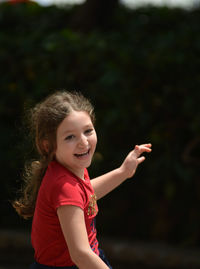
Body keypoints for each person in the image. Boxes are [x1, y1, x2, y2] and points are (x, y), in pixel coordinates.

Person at [13, 91, 152, 269]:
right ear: (48, 146)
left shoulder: (69, 170)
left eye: (88, 131)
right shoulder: (63, 185)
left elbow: (84, 195)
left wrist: (123, 172)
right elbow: (80, 254)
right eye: (70, 137)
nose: (83, 142)